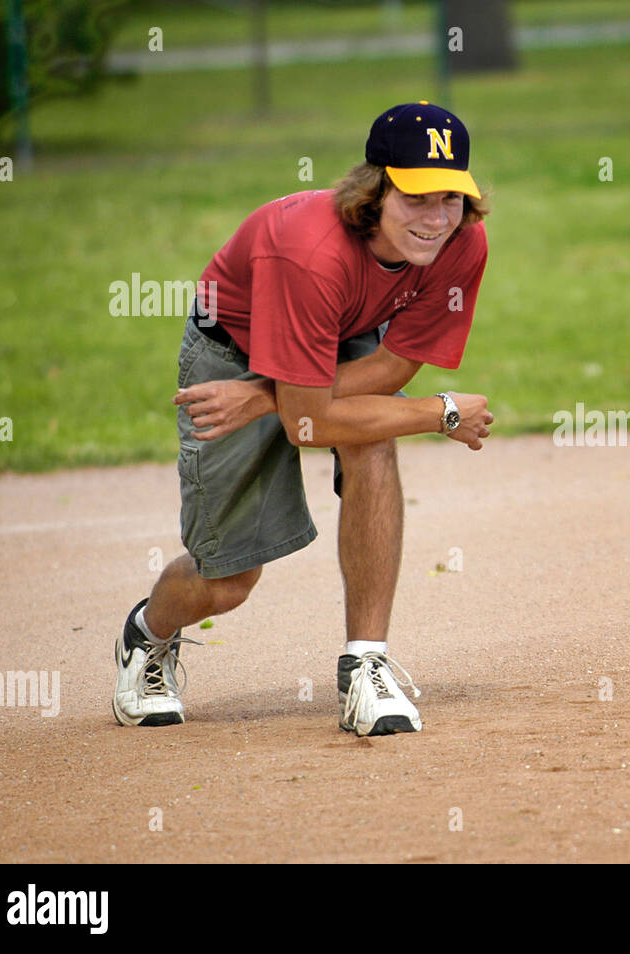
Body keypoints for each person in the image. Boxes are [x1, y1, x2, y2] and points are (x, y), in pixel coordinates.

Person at [113, 101, 494, 735]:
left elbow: (396, 364)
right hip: (234, 349)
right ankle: (147, 633)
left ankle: (365, 665)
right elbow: (306, 424)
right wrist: (440, 413)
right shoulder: (311, 251)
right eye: (416, 197)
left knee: (373, 440)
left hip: (331, 345)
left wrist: (269, 397)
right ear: (375, 191)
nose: (436, 220)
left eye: (450, 199)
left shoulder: (461, 243)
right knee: (229, 582)